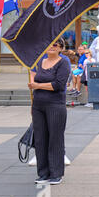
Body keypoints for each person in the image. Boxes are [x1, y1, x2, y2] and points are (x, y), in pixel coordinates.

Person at [29, 38, 71, 185]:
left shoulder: (63, 62)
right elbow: (34, 80)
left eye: (56, 45)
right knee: (40, 140)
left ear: (61, 48)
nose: (52, 47)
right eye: (50, 44)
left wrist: (37, 85)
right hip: (38, 105)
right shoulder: (40, 62)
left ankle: (56, 173)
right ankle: (43, 173)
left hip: (55, 105)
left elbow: (58, 85)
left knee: (55, 139)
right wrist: (33, 101)